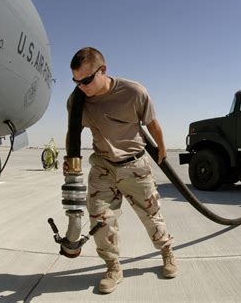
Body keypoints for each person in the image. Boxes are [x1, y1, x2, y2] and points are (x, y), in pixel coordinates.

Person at [65, 47, 177, 294]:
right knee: (99, 219)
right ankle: (113, 267)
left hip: (134, 164)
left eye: (86, 80)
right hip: (103, 166)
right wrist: (70, 169)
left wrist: (161, 150)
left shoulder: (134, 92)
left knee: (151, 214)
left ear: (103, 70)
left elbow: (153, 125)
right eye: (76, 81)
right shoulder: (77, 101)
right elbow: (72, 133)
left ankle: (167, 251)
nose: (81, 86)